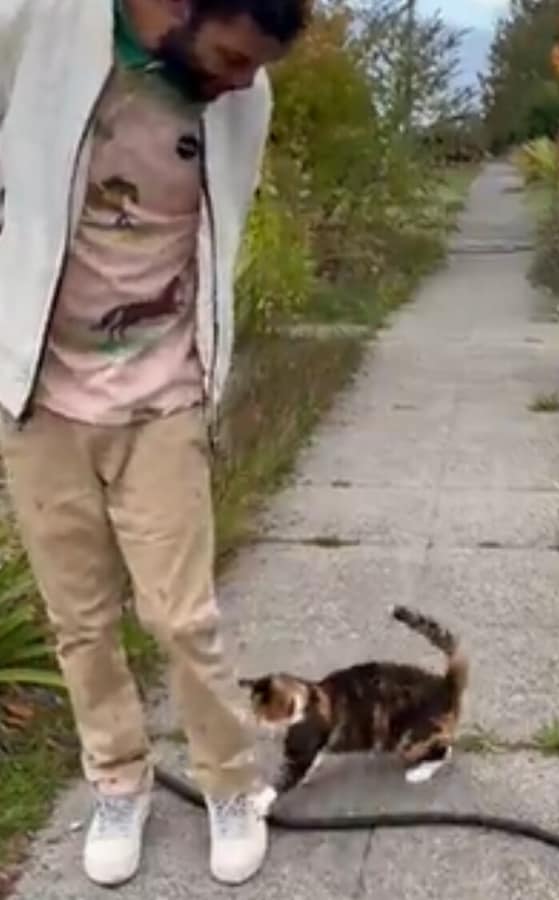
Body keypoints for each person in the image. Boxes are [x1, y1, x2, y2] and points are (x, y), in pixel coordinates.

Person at [0, 0, 307, 887]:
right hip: (40, 397)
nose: (244, 81)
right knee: (81, 622)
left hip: (163, 397)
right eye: (230, 56)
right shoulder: (34, 27)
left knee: (182, 617)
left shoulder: (242, 99)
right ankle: (119, 782)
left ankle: (228, 784)